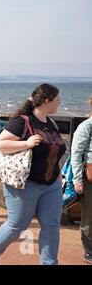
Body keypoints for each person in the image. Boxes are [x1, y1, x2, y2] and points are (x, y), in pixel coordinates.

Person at [0, 83, 66, 265]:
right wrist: (27, 143)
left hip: (52, 184)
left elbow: (55, 151)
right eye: (57, 100)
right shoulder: (23, 121)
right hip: (25, 183)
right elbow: (0, 144)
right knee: (17, 225)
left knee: (52, 227)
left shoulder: (52, 123)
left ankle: (49, 263)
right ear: (46, 101)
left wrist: (59, 174)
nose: (60, 103)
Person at [70, 95, 92, 264]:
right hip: (89, 178)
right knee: (89, 216)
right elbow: (76, 154)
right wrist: (77, 180)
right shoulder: (86, 127)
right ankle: (89, 250)